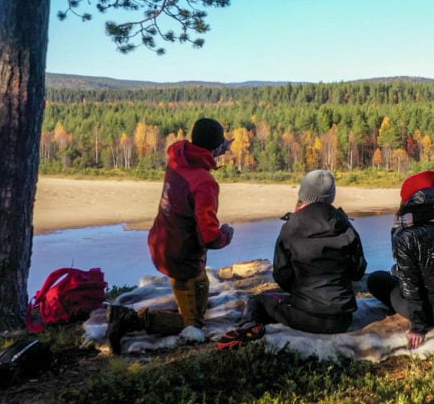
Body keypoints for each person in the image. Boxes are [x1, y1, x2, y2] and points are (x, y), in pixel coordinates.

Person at [107, 117, 235, 355]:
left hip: (163, 243)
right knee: (194, 325)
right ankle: (132, 320)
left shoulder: (179, 159)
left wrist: (219, 146)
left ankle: (182, 313)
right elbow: (209, 237)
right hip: (183, 258)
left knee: (198, 296)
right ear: (216, 148)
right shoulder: (205, 182)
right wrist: (226, 233)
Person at [216, 169, 367, 350]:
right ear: (331, 196)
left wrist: (299, 291)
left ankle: (248, 326)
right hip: (343, 319)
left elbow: (281, 275)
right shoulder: (345, 225)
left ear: (303, 194)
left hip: (305, 316)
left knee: (259, 300)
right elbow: (358, 271)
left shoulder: (291, 226)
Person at [367, 170, 434, 350]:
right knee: (399, 271)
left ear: (409, 201)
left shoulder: (405, 234)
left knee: (376, 279)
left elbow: (410, 286)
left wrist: (418, 328)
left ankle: (422, 313)